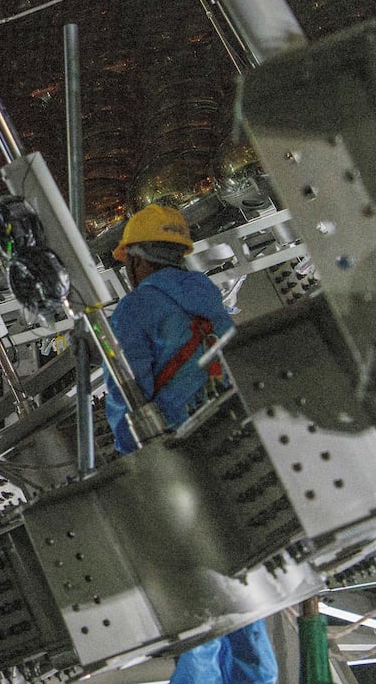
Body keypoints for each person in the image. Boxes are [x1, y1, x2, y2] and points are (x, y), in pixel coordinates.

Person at [107, 203, 278, 684]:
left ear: (137, 261)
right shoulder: (210, 298)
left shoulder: (136, 307)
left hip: (177, 462)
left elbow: (127, 392)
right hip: (232, 448)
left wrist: (131, 464)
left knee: (199, 597)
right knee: (245, 585)